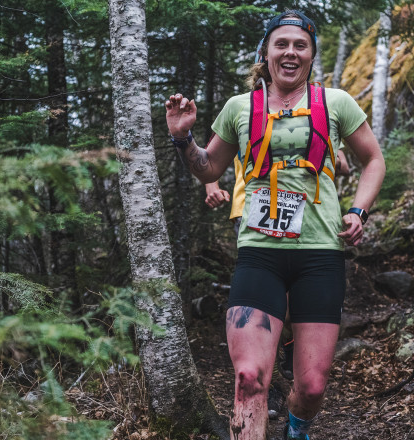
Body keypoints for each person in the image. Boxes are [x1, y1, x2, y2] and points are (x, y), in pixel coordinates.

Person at [165, 10, 385, 440]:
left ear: (311, 54)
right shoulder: (239, 108)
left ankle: (297, 429)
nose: (290, 52)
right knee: (248, 378)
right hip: (259, 255)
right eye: (280, 44)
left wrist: (358, 210)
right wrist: (183, 138)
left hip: (320, 253)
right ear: (264, 53)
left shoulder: (336, 102)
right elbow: (208, 170)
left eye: (300, 45)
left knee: (312, 385)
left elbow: (374, 160)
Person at [204, 147, 351, 381]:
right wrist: (212, 187)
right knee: (265, 295)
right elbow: (211, 156)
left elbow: (340, 160)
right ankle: (270, 377)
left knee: (295, 294)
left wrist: (339, 162)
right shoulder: (243, 110)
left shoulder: (317, 112)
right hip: (253, 206)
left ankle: (291, 348)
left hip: (304, 208)